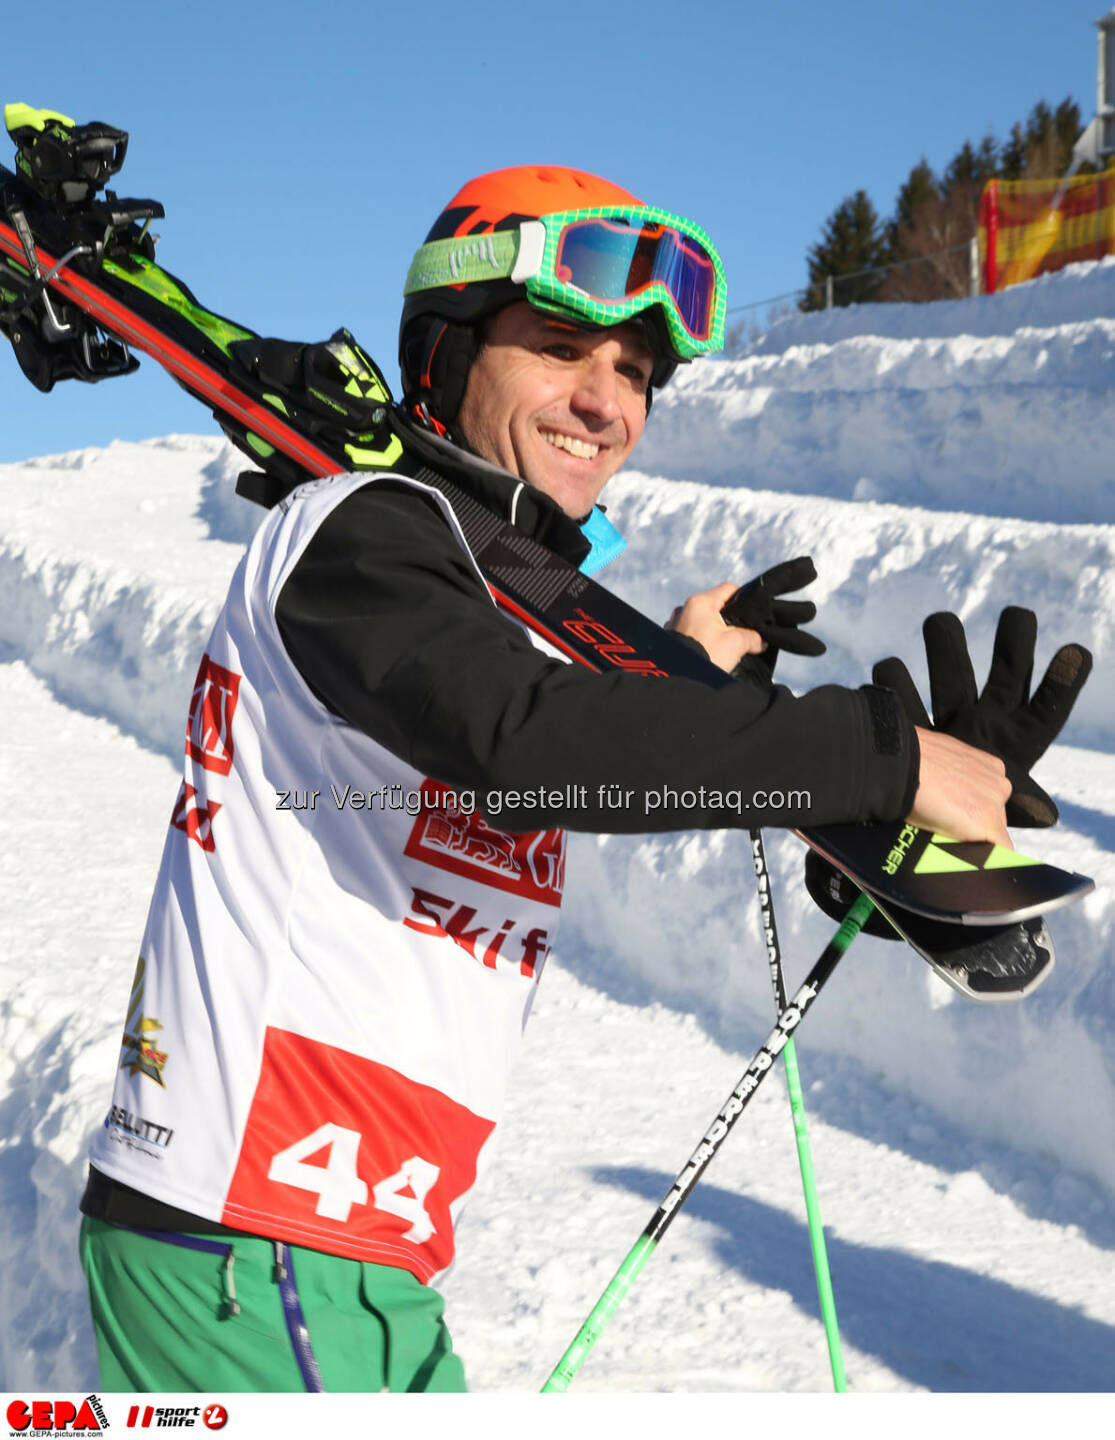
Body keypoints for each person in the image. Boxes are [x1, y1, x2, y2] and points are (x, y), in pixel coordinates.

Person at [78, 164, 1049, 1394]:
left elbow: (584, 744)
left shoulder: (457, 600)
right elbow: (522, 742)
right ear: (444, 356)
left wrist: (799, 775)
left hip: (352, 1255)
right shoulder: (358, 529)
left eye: (634, 375)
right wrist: (867, 757)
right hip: (246, 1245)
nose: (604, 403)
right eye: (559, 350)